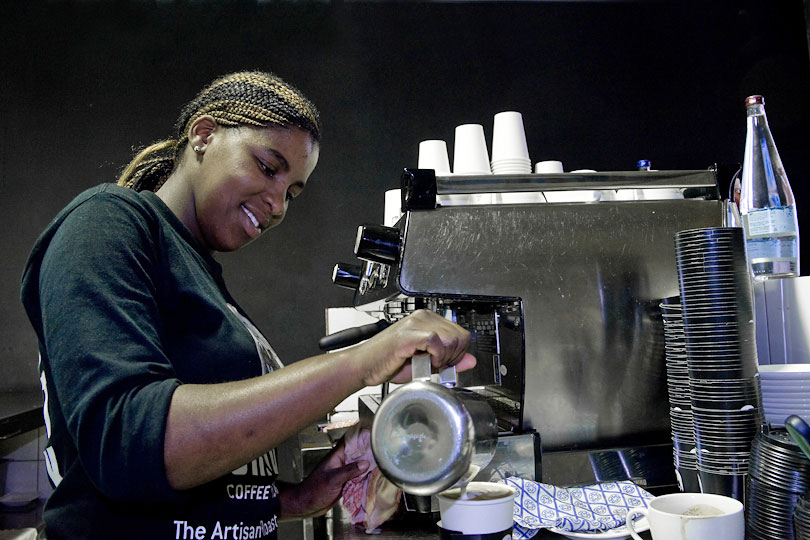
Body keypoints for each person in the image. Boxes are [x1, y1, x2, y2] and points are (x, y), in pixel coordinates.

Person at [20, 71, 475, 540]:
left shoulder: (201, 274)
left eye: (292, 192)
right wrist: (361, 362)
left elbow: (198, 490)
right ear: (203, 135)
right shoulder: (106, 223)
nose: (278, 204)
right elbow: (128, 447)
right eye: (268, 167)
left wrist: (298, 497)